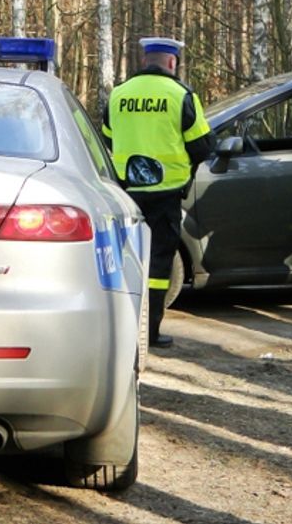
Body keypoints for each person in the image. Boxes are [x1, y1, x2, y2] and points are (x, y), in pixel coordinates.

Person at [102, 37, 214, 349]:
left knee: (124, 261)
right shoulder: (180, 95)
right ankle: (148, 332)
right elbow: (203, 146)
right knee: (158, 266)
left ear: (144, 61)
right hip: (164, 196)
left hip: (125, 194)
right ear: (172, 63)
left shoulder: (118, 95)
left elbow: (108, 139)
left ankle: (121, 332)